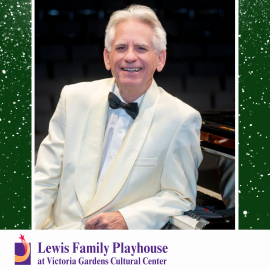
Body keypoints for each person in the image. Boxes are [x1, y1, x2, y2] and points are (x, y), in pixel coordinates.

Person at [35, 5, 203, 230]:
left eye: (141, 48)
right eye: (121, 47)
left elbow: (179, 196)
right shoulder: (73, 97)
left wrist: (127, 219)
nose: (130, 57)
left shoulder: (181, 118)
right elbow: (44, 181)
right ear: (107, 57)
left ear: (160, 59)